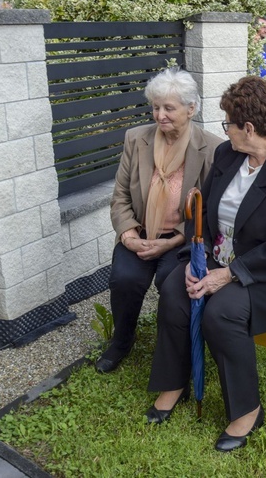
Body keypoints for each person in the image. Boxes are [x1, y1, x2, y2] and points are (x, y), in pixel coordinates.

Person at [146, 76, 266, 452]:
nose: (224, 130)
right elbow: (205, 212)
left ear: (248, 128)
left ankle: (248, 409)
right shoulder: (228, 156)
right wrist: (194, 257)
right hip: (223, 259)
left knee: (222, 313)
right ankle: (175, 382)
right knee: (173, 290)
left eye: (227, 123)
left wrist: (228, 275)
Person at [96, 68, 222, 374]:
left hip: (180, 240)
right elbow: (121, 196)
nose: (160, 115)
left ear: (191, 109)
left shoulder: (212, 149)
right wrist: (128, 235)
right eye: (155, 107)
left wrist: (173, 239)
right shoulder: (136, 139)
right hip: (139, 234)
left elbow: (208, 211)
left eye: (169, 108)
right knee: (124, 279)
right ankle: (122, 341)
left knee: (172, 284)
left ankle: (171, 348)